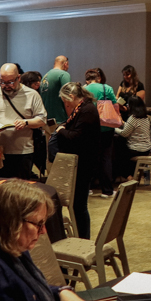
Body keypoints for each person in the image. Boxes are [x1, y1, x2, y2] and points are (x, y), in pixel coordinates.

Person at [0, 64, 46, 180]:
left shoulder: (32, 95)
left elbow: (42, 119)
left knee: (21, 190)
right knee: (0, 188)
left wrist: (26, 122)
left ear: (18, 78)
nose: (6, 86)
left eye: (10, 82)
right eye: (2, 82)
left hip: (23, 151)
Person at [54, 81, 100, 238]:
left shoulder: (87, 111)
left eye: (65, 100)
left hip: (84, 163)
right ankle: (82, 237)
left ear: (72, 97)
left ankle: (84, 239)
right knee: (77, 205)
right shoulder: (82, 108)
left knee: (79, 206)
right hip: (80, 162)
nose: (65, 104)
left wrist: (61, 131)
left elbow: (76, 137)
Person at [84, 68, 117, 198]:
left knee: (89, 158)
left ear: (87, 79)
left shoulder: (83, 89)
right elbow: (115, 105)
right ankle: (107, 191)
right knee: (105, 158)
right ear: (98, 78)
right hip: (106, 127)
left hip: (89, 127)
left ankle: (88, 188)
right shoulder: (106, 88)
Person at [113, 95, 151, 181]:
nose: (127, 106)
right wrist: (123, 123)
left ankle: (127, 175)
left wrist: (113, 128)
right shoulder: (145, 117)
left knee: (117, 151)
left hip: (136, 149)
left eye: (128, 104)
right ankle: (127, 174)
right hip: (146, 148)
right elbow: (132, 128)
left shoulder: (133, 118)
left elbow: (124, 133)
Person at [20, 71, 46, 176]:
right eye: (37, 82)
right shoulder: (31, 95)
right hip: (29, 129)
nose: (39, 84)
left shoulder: (34, 94)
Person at [40, 55, 70, 124]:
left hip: (46, 120)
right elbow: (68, 97)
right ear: (65, 64)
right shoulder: (63, 74)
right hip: (60, 119)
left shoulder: (45, 76)